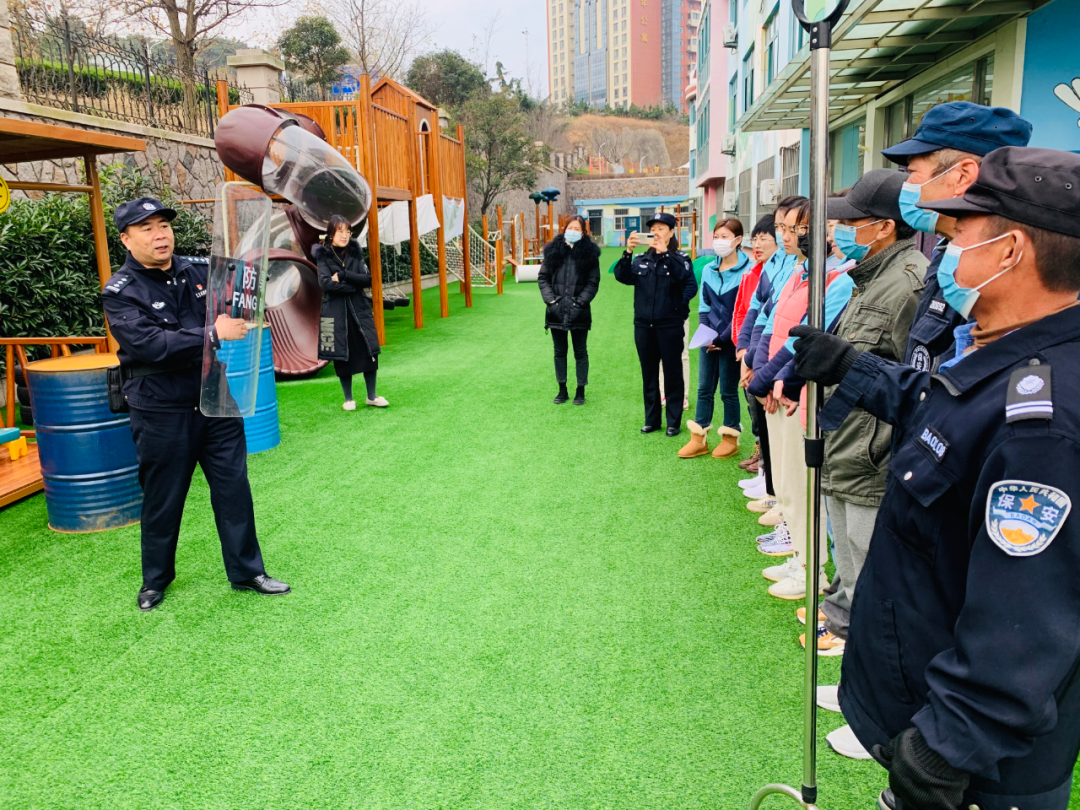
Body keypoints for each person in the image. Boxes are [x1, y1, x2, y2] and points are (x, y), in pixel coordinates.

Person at [791, 146, 1080, 810]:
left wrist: (950, 744)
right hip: (930, 711)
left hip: (981, 774)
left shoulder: (1044, 419)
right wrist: (850, 367)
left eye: (962, 235)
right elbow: (938, 407)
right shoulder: (1009, 357)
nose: (946, 251)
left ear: (1011, 252)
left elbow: (1027, 617)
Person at [101, 197, 290, 612]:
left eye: (163, 226)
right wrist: (213, 334)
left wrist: (252, 288)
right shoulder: (120, 293)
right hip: (160, 409)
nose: (159, 235)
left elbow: (242, 288)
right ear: (126, 239)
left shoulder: (196, 270)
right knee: (163, 497)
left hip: (214, 398)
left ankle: (247, 571)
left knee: (234, 489)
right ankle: (155, 581)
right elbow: (151, 346)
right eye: (147, 228)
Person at [811, 170, 927, 757]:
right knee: (850, 575)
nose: (840, 231)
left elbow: (913, 383)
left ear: (883, 228)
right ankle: (855, 688)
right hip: (844, 448)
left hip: (872, 458)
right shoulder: (868, 280)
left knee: (874, 592)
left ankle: (874, 719)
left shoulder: (907, 285)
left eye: (851, 222)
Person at [746, 198, 854, 596]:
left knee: (805, 487)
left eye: (799, 229)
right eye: (785, 229)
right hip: (782, 388)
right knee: (790, 486)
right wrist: (764, 374)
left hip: (800, 395)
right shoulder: (799, 271)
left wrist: (776, 381)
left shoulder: (839, 279)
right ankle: (801, 559)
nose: (789, 237)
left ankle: (814, 572)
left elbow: (807, 339)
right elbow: (774, 325)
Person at [881, 101, 1032, 371]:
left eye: (912, 173)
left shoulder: (1002, 272)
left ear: (963, 176)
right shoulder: (947, 255)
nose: (906, 186)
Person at [614, 212, 698, 436]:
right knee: (648, 373)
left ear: (671, 232)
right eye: (654, 228)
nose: (657, 232)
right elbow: (622, 276)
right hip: (643, 326)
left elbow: (686, 280)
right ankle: (652, 420)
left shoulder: (681, 258)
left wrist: (665, 255)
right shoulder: (641, 259)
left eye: (662, 228)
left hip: (669, 325)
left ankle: (673, 422)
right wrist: (628, 251)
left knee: (672, 372)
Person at [679, 218, 751, 458]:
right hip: (709, 339)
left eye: (725, 236)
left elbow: (742, 311)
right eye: (717, 236)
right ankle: (699, 438)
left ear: (738, 240)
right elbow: (704, 305)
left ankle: (730, 438)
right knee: (704, 388)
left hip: (731, 341)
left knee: (728, 391)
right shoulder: (709, 269)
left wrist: (721, 339)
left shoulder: (747, 272)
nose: (719, 241)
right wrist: (707, 334)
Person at [315, 215, 386, 411]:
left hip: (359, 310)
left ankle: (372, 396)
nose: (345, 235)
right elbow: (325, 283)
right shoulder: (323, 255)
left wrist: (345, 276)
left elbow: (367, 279)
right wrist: (352, 287)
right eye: (340, 231)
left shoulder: (355, 253)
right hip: (335, 312)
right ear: (331, 234)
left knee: (368, 349)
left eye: (348, 231)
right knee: (341, 353)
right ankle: (348, 399)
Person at [537, 215, 601, 405]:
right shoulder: (553, 252)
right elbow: (543, 279)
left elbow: (593, 282)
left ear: (583, 232)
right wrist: (551, 302)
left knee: (580, 351)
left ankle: (580, 390)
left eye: (577, 228)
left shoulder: (589, 255)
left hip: (579, 311)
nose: (572, 231)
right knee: (559, 351)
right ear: (564, 229)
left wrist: (579, 303)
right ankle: (562, 389)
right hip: (555, 310)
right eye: (570, 227)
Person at [732, 216, 778, 475]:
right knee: (753, 402)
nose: (758, 244)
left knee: (766, 405)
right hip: (750, 350)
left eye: (764, 238)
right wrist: (742, 348)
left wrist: (753, 358)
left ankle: (767, 469)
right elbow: (747, 311)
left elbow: (771, 319)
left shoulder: (780, 269)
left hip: (766, 355)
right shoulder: (755, 272)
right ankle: (762, 456)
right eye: (755, 239)